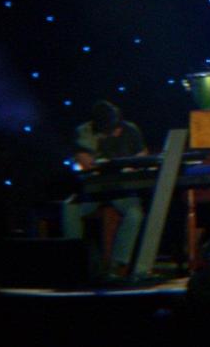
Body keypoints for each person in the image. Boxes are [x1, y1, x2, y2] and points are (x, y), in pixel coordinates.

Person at [63, 99, 148, 280]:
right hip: (93, 190)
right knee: (69, 208)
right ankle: (74, 261)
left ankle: (118, 264)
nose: (116, 131)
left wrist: (133, 165)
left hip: (121, 188)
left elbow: (142, 154)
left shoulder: (130, 130)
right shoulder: (85, 132)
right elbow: (83, 160)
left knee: (135, 214)